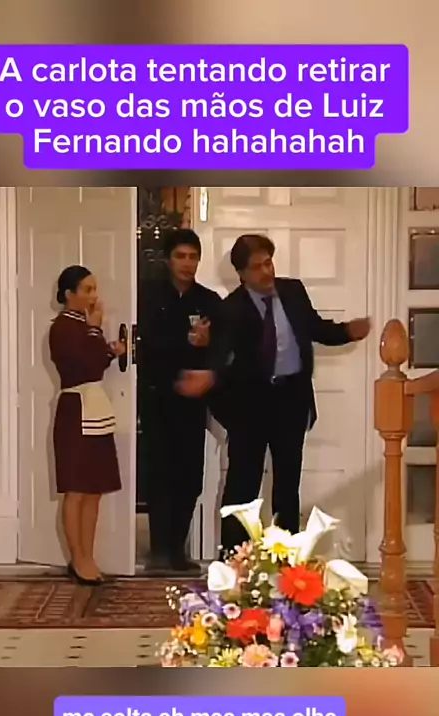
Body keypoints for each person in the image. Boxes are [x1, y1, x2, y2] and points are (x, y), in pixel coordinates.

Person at [210, 234, 371, 555]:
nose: (266, 272)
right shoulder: (231, 309)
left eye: (268, 263)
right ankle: (233, 559)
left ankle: (286, 558)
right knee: (242, 486)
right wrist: (225, 407)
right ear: (241, 274)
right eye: (256, 267)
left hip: (291, 401)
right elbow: (219, 360)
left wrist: (346, 331)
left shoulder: (293, 291)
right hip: (250, 408)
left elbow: (315, 328)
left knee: (287, 487)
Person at [137, 229, 223, 575]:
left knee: (189, 477)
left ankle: (177, 549)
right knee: (160, 474)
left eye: (193, 257)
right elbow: (145, 341)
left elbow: (225, 347)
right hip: (157, 395)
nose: (187, 264)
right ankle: (159, 550)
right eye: (180, 256)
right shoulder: (147, 295)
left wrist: (207, 344)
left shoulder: (209, 300)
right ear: (167, 259)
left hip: (192, 400)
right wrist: (185, 340)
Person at [49, 265, 125, 585]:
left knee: (94, 488)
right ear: (70, 294)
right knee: (77, 488)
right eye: (87, 290)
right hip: (75, 409)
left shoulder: (83, 325)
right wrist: (95, 332)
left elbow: (96, 362)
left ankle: (88, 555)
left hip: (95, 407)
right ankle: (77, 558)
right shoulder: (62, 327)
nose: (94, 296)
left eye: (95, 289)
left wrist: (110, 351)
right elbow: (86, 367)